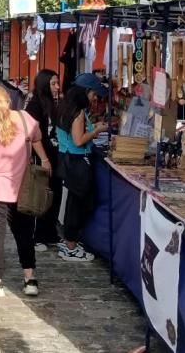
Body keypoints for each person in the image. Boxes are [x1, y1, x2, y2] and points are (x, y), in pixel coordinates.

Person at [0, 85, 52, 298]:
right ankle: (30, 279)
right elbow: (38, 136)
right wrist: (44, 158)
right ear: (9, 99)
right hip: (22, 189)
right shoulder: (25, 118)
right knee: (24, 234)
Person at [55, 74, 109, 261]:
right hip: (77, 161)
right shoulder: (77, 113)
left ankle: (70, 241)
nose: (95, 98)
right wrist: (95, 131)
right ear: (85, 92)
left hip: (67, 158)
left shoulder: (66, 107)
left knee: (73, 202)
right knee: (76, 205)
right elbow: (78, 141)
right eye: (94, 93)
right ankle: (71, 245)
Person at [26, 69, 62, 250]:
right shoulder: (35, 104)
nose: (57, 87)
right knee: (41, 194)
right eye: (53, 83)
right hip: (42, 156)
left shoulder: (54, 103)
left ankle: (50, 233)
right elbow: (33, 136)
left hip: (55, 154)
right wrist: (44, 159)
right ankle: (38, 235)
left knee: (54, 193)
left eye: (58, 83)